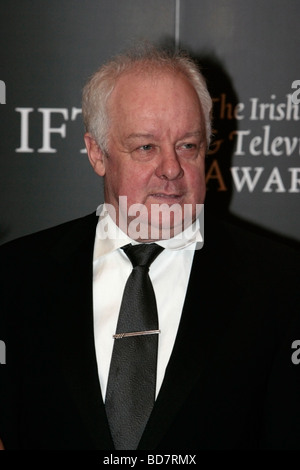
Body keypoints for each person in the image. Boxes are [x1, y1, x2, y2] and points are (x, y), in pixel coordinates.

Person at [0, 44, 299, 451]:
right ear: (96, 153)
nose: (172, 169)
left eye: (188, 145)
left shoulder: (282, 284)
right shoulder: (16, 276)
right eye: (146, 147)